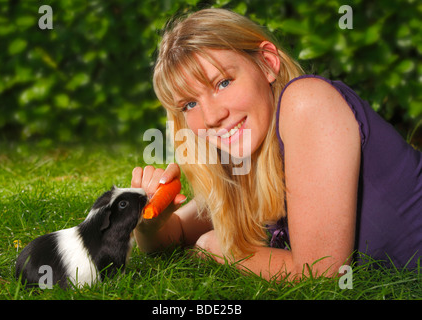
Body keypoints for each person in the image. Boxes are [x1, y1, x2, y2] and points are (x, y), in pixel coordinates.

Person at [131, 8, 422, 280]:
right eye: (190, 103)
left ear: (267, 63)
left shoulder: (306, 101)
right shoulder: (245, 159)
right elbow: (176, 232)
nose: (212, 117)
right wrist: (150, 220)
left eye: (223, 83)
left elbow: (321, 273)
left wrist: (215, 248)